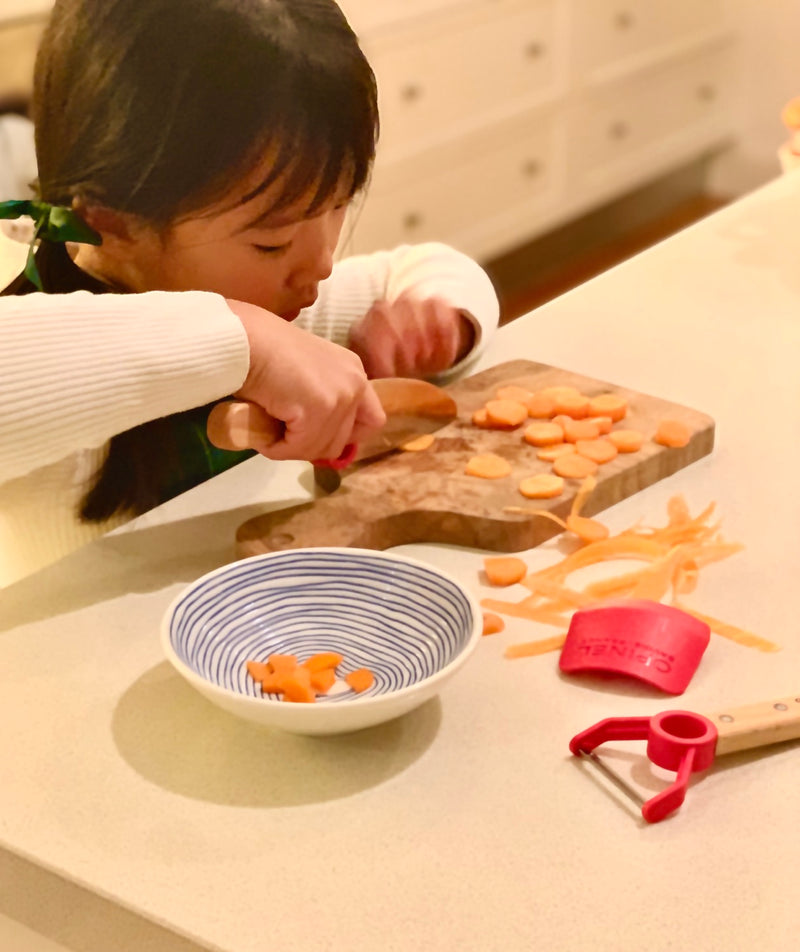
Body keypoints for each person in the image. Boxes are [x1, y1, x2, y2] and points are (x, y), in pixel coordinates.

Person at [0, 0, 499, 587]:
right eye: (272, 243)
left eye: (339, 206)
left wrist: (435, 317)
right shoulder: (53, 354)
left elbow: (428, 266)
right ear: (112, 224)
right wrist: (247, 343)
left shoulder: (279, 303)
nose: (321, 265)